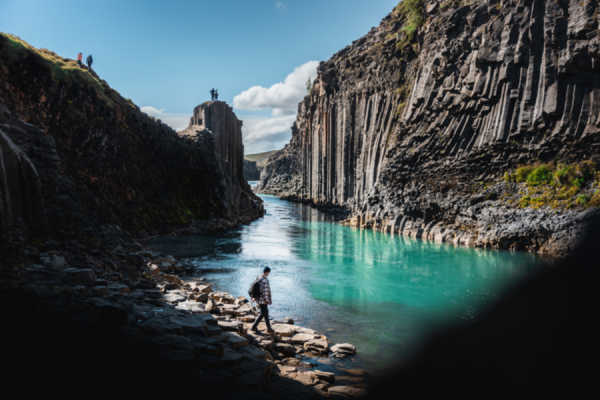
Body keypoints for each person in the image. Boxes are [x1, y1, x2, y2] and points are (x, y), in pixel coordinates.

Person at [250, 266, 274, 333]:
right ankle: (254, 327)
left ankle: (269, 328)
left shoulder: (257, 277)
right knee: (263, 313)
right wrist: (268, 301)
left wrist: (253, 297)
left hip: (257, 298)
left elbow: (253, 287)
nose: (268, 274)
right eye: (269, 273)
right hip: (263, 300)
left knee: (266, 312)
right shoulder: (265, 280)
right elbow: (265, 293)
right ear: (267, 272)